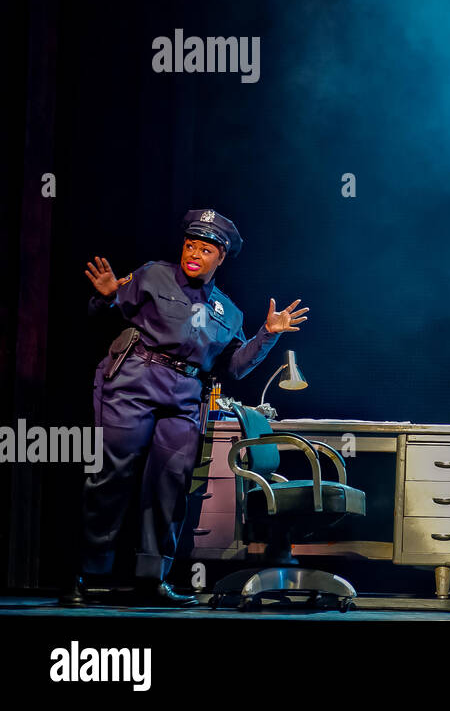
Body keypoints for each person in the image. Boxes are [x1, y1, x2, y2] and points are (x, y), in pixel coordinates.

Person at [68, 209, 308, 607]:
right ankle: (89, 573)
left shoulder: (228, 312)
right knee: (112, 476)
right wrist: (108, 294)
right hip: (134, 382)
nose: (194, 253)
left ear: (221, 257)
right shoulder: (152, 274)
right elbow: (102, 312)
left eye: (206, 248)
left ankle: (151, 578)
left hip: (184, 396)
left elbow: (234, 366)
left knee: (171, 485)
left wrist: (268, 334)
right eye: (189, 245)